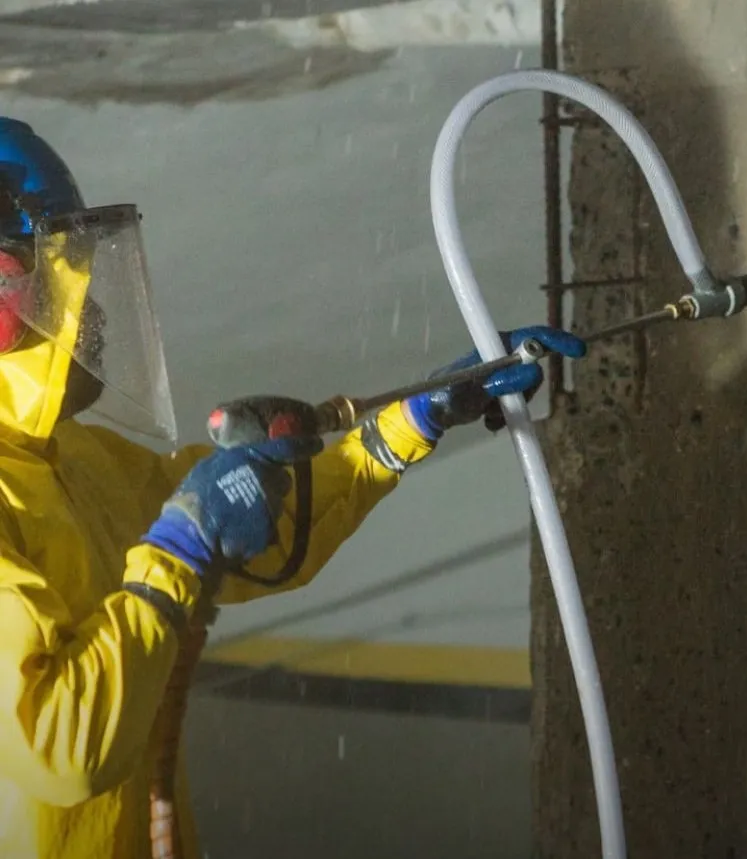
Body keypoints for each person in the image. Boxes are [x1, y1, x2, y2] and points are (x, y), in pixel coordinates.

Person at [0, 117, 586, 859]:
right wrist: (176, 551)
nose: (96, 316)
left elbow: (256, 538)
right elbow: (64, 748)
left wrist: (407, 424)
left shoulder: (76, 459)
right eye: (67, 281)